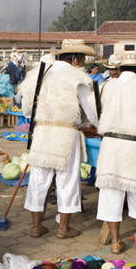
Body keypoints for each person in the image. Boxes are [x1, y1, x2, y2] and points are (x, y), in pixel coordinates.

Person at [20, 39, 99, 239]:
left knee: (38, 179)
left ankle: (36, 227)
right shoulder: (77, 77)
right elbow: (92, 112)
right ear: (74, 59)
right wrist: (100, 126)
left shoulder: (40, 72)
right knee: (67, 181)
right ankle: (64, 229)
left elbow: (26, 110)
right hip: (66, 133)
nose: (83, 65)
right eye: (82, 60)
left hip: (42, 132)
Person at [96, 51, 136, 253]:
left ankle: (115, 243)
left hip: (110, 144)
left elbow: (94, 113)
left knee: (110, 193)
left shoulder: (105, 86)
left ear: (120, 69)